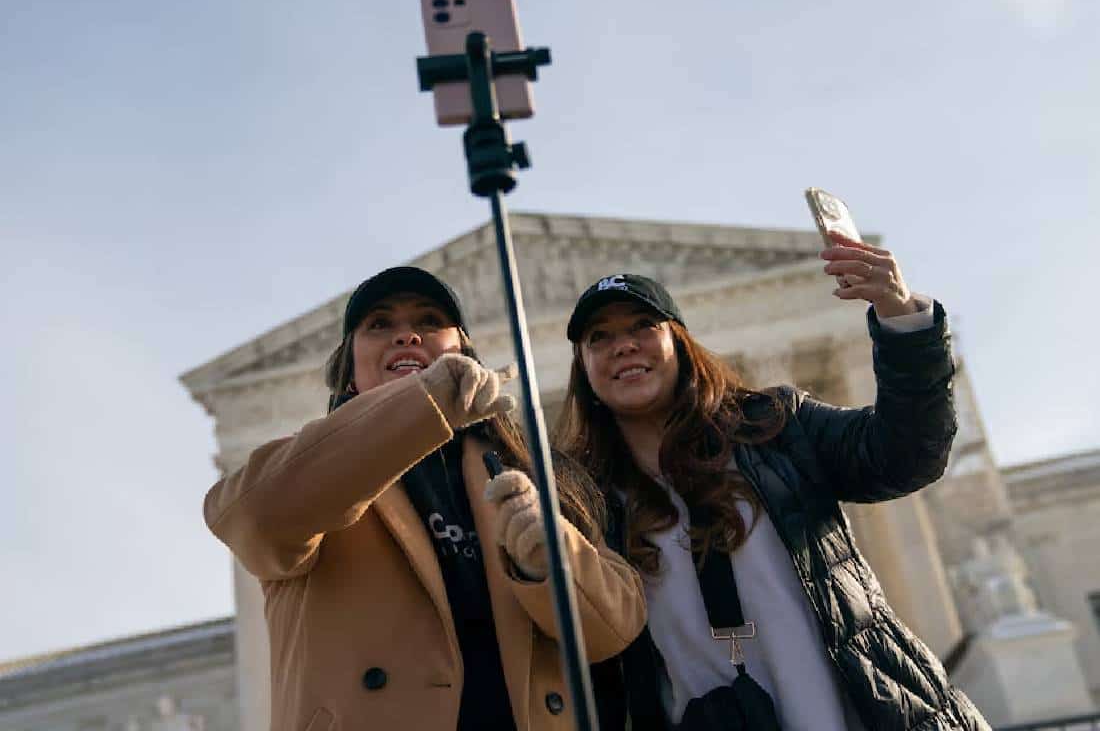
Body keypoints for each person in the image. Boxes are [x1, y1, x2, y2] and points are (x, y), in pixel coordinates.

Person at [555, 234, 990, 731]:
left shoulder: (776, 429)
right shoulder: (583, 504)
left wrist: (903, 322)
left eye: (642, 326)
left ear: (680, 342)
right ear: (583, 368)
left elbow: (907, 456)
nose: (623, 344)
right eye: (599, 337)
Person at [203, 266, 646, 731]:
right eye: (379, 324)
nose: (407, 336)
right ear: (349, 372)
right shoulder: (315, 475)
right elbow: (251, 519)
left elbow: (613, 629)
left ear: (466, 353)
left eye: (430, 321)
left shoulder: (531, 474)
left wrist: (549, 558)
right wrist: (425, 400)